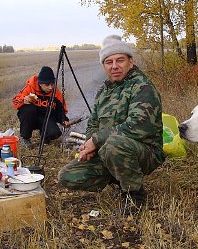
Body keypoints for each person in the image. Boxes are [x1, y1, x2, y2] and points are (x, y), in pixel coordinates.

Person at [58, 35, 165, 212]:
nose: (114, 66)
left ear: (130, 62)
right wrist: (89, 145)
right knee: (67, 176)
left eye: (120, 60)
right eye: (109, 62)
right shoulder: (104, 90)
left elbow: (138, 126)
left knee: (113, 145)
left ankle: (134, 195)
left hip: (145, 152)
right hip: (109, 150)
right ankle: (120, 176)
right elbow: (93, 123)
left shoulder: (142, 87)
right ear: (104, 66)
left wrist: (97, 141)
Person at [12, 66, 69, 149]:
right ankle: (25, 138)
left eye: (52, 84)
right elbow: (15, 101)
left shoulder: (56, 93)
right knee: (28, 109)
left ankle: (45, 135)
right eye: (47, 85)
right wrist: (23, 100)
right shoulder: (30, 88)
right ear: (40, 83)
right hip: (31, 117)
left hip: (46, 118)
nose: (50, 87)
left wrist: (64, 120)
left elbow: (60, 110)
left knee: (55, 133)